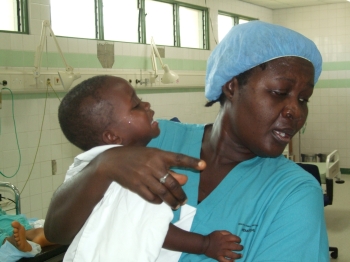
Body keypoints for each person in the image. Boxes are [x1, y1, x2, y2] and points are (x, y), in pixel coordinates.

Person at [45, 20, 329, 261]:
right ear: (232, 87)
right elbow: (58, 231)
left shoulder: (294, 192)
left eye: (304, 99)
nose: (295, 111)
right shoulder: (150, 139)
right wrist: (104, 166)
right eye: (280, 93)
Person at [54, 75, 243, 261]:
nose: (146, 105)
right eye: (136, 105)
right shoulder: (130, 176)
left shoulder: (86, 167)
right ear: (113, 137)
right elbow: (154, 228)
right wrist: (205, 244)